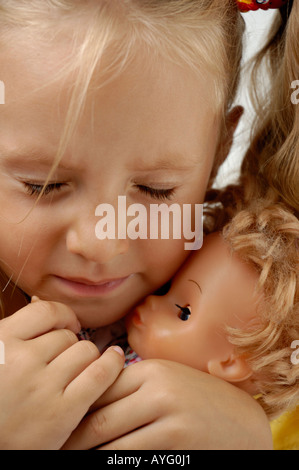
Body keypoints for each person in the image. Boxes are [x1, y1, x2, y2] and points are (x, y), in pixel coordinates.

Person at [0, 0, 276, 449]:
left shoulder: (259, 319)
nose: (101, 242)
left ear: (219, 152)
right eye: (43, 184)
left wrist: (250, 438)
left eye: (156, 190)